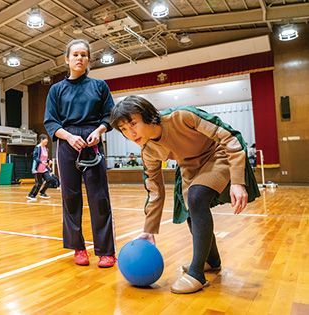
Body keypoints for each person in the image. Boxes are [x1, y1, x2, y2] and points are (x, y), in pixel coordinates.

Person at [110, 95, 261, 293]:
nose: (131, 133)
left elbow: (228, 136)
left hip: (218, 154)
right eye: (123, 129)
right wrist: (149, 229)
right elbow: (154, 190)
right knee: (190, 211)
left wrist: (238, 181)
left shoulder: (181, 116)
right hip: (189, 167)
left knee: (196, 197)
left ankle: (197, 273)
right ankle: (211, 260)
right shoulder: (148, 150)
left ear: (146, 115)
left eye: (133, 124)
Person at [44, 39, 117, 268]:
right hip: (67, 143)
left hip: (93, 141)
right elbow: (51, 121)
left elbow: (109, 116)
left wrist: (99, 130)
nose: (79, 58)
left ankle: (106, 251)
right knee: (71, 197)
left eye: (84, 55)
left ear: (88, 60)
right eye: (75, 54)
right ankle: (78, 248)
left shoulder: (99, 86)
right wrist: (68, 136)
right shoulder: (56, 89)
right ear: (67, 59)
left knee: (100, 198)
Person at [27, 134, 52, 201]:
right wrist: (41, 162)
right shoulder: (38, 147)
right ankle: (31, 194)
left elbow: (45, 158)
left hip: (44, 168)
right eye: (46, 139)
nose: (47, 141)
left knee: (49, 179)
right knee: (39, 183)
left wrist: (48, 161)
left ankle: (42, 192)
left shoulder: (46, 149)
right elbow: (35, 157)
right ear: (42, 140)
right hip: (38, 168)